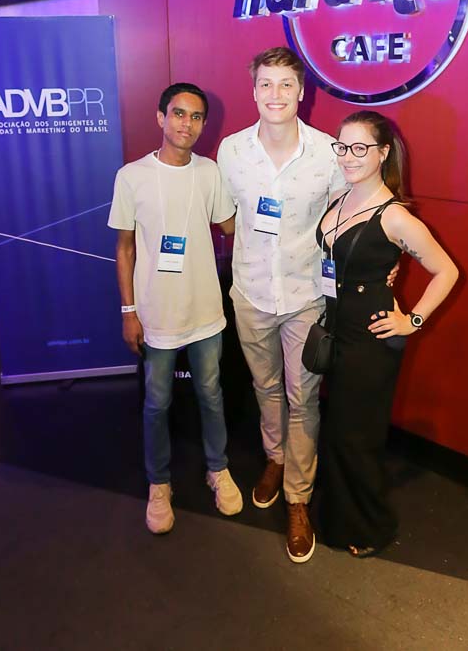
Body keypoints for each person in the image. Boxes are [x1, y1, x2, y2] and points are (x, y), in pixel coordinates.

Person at [217, 47, 350, 563]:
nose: (276, 94)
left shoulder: (327, 153)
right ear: (254, 91)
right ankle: (274, 457)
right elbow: (226, 217)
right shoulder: (232, 151)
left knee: (304, 396)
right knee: (265, 386)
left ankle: (298, 495)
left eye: (286, 84)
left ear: (302, 91)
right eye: (266, 84)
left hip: (305, 296)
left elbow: (345, 218)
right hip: (250, 291)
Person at [317, 110, 459, 558]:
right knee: (339, 430)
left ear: (382, 153)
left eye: (360, 148)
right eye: (343, 146)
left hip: (372, 340)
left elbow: (447, 271)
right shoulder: (339, 199)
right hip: (337, 329)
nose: (348, 156)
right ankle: (337, 516)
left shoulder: (395, 216)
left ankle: (367, 526)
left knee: (357, 437)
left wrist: (412, 321)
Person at [108, 82, 242, 534]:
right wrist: (129, 311)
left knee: (211, 394)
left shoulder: (210, 172)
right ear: (160, 118)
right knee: (157, 402)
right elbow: (124, 248)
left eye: (196, 116)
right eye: (179, 113)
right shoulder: (131, 176)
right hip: (156, 312)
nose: (187, 123)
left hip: (205, 310)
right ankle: (159, 482)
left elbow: (231, 225)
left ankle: (218, 469)